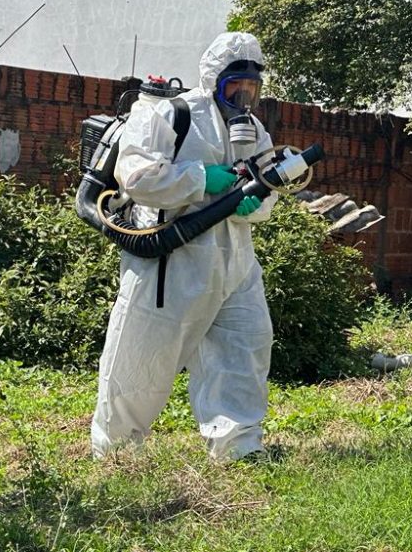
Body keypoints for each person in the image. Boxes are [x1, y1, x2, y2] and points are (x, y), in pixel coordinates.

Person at [90, 32, 278, 461]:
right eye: (235, 86)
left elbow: (269, 191)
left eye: (252, 88)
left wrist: (252, 202)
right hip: (172, 262)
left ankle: (239, 446)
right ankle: (116, 449)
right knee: (142, 359)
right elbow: (136, 177)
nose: (244, 97)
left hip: (235, 263)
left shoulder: (256, 131)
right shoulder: (171, 114)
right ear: (215, 79)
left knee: (243, 350)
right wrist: (199, 179)